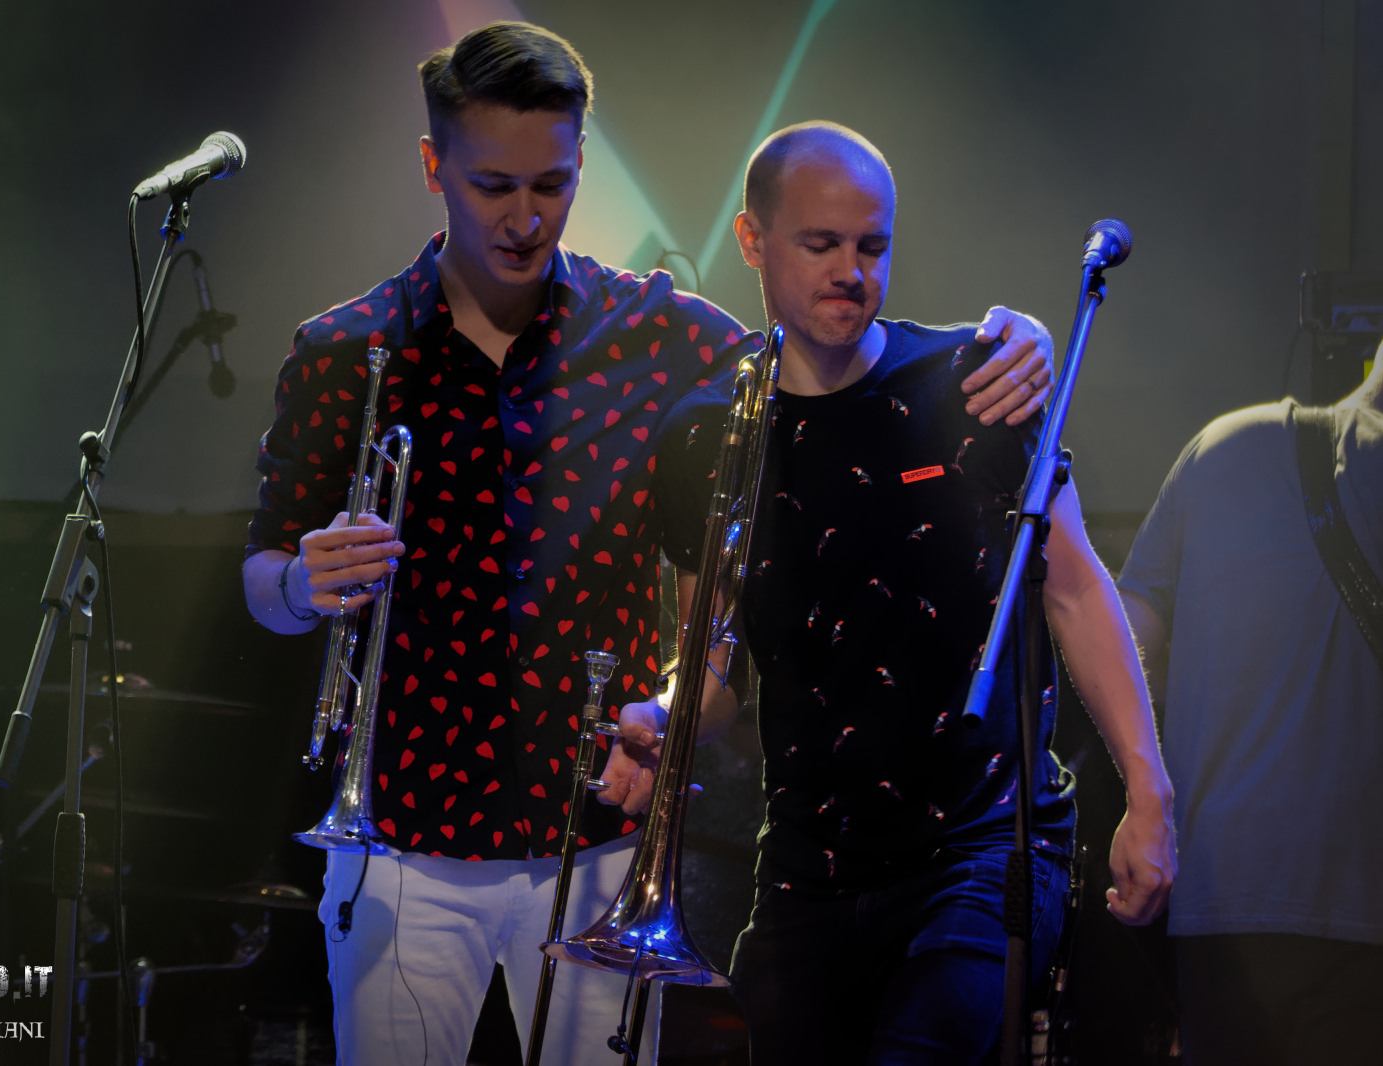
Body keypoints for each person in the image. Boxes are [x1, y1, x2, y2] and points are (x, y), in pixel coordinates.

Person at [242, 25, 1056, 1065]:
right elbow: (262, 575)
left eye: (553, 184)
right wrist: (301, 586)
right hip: (404, 842)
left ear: (582, 163)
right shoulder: (344, 350)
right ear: (433, 166)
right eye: (493, 186)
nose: (526, 218)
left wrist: (1009, 343)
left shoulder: (671, 337)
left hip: (600, 843)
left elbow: (831, 344)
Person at [605, 122, 1176, 1064]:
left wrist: (1148, 793)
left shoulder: (972, 383)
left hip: (980, 845)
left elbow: (1076, 588)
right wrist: (662, 719)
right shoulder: (705, 436)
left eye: (871, 246)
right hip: (805, 871)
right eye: (820, 244)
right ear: (752, 241)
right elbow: (714, 668)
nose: (851, 271)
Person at [1117, 351, 1383, 1065]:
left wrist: (1142, 798)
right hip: (1365, 909)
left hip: (1220, 897)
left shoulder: (1227, 443)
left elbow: (1123, 636)